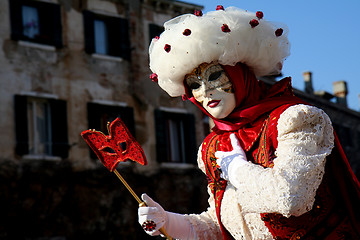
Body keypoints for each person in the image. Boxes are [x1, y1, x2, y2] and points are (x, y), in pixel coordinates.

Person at [138, 6, 360, 240]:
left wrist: (238, 170)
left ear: (239, 74)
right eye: (194, 85)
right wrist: (169, 222)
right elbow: (220, 224)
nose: (205, 92)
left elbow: (292, 197)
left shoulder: (295, 119)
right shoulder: (213, 147)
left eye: (214, 76)